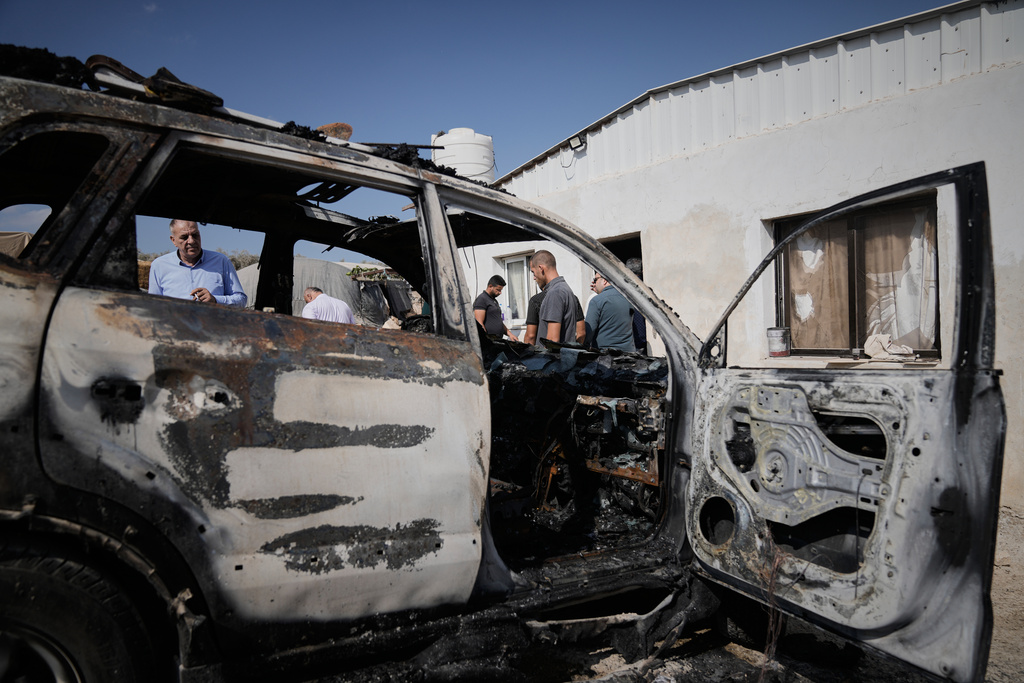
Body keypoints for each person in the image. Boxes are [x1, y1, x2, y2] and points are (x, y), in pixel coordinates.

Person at [148, 219, 247, 307]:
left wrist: (215, 300)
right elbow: (152, 305)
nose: (191, 241)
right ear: (173, 240)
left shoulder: (221, 261)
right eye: (184, 237)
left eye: (195, 235)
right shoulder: (159, 265)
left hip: (212, 327)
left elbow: (241, 300)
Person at [529, 250, 581, 345]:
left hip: (553, 359)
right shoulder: (565, 289)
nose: (534, 277)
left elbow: (552, 340)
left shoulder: (555, 293)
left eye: (533, 272)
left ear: (541, 268)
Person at [585, 272, 635, 351]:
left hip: (606, 354)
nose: (594, 283)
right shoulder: (628, 298)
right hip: (628, 352)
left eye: (595, 280)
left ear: (604, 280)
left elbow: (589, 330)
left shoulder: (596, 301)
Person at [473, 275, 518, 340]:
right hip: (489, 343)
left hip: (497, 341)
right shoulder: (482, 299)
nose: (500, 293)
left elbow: (498, 321)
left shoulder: (493, 300)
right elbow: (479, 324)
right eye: (498, 290)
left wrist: (510, 334)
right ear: (490, 286)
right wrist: (485, 340)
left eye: (501, 290)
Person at [625, 257, 648, 354]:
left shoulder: (625, 290)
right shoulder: (646, 289)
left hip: (633, 342)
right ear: (642, 271)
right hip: (642, 342)